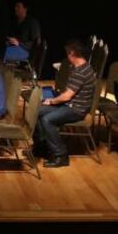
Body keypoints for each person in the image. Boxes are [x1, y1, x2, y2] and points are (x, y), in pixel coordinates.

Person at [34, 39, 96, 168]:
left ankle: (61, 155)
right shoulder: (81, 67)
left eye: (68, 54)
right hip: (70, 105)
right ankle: (43, 147)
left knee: (47, 120)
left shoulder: (81, 72)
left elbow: (67, 96)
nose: (67, 57)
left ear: (72, 54)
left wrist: (51, 100)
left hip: (76, 109)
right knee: (38, 111)